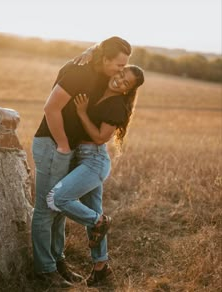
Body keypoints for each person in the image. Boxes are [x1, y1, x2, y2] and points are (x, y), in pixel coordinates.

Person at [32, 36, 132, 289]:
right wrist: (64, 144)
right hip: (53, 144)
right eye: (119, 65)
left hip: (69, 148)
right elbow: (50, 108)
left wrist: (90, 49)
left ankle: (58, 261)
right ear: (106, 59)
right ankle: (45, 270)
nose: (121, 71)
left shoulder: (99, 73)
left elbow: (101, 52)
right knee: (46, 209)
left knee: (57, 211)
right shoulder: (80, 72)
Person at [46, 65, 144, 287]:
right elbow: (96, 61)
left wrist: (81, 113)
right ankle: (101, 268)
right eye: (120, 74)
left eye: (125, 82)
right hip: (82, 157)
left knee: (56, 199)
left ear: (127, 90)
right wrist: (87, 53)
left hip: (94, 160)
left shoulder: (117, 105)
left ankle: (99, 222)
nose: (119, 80)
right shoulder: (100, 89)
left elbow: (100, 138)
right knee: (94, 208)